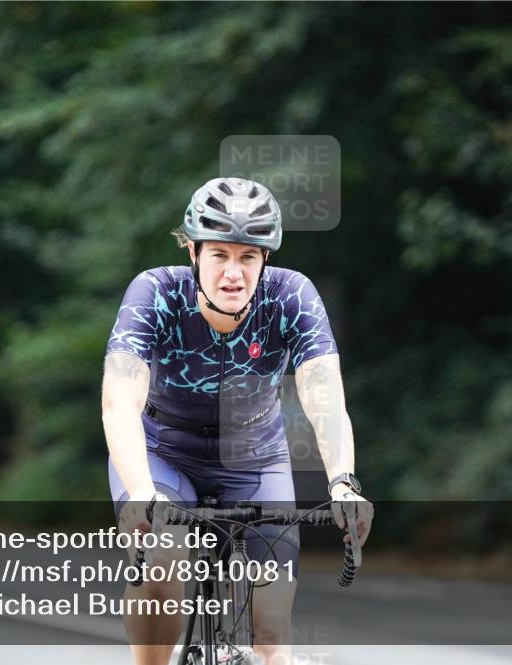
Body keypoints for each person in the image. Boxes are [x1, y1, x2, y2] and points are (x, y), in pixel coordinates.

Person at [102, 177, 373, 665]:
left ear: (265, 259)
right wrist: (140, 491)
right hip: (163, 453)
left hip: (255, 457)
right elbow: (120, 401)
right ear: (193, 253)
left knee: (272, 637)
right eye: (219, 255)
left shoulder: (291, 296)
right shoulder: (156, 292)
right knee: (161, 560)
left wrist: (343, 482)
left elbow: (325, 395)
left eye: (248, 257)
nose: (233, 273)